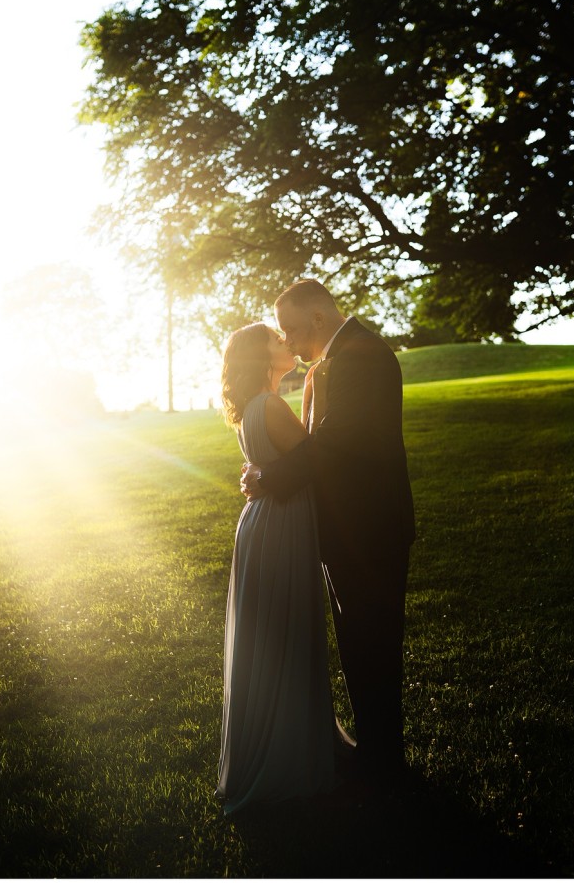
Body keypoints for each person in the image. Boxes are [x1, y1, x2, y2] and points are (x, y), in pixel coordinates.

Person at [241, 279, 415, 788]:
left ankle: (385, 763)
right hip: (347, 530)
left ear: (318, 318)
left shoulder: (362, 355)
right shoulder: (335, 360)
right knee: (359, 644)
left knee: (375, 644)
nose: (289, 340)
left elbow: (335, 442)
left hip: (371, 528)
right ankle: (376, 752)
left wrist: (270, 479)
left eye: (292, 328)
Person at [215, 322, 340, 814]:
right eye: (274, 338)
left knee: (274, 636)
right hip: (279, 523)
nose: (284, 341)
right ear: (260, 356)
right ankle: (287, 759)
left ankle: (281, 745)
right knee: (286, 634)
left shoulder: (254, 406)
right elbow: (317, 458)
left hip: (265, 521)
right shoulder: (269, 405)